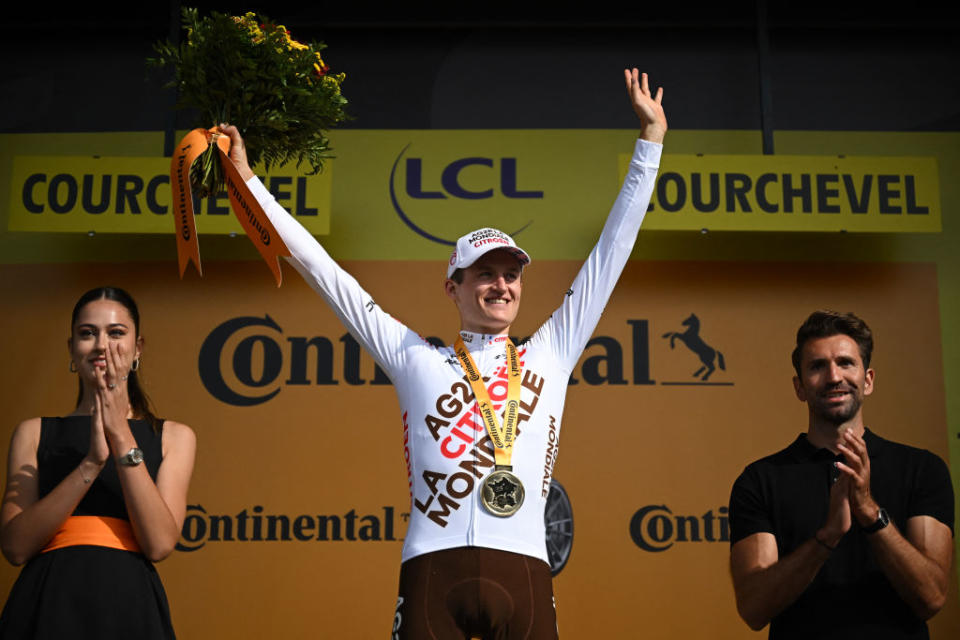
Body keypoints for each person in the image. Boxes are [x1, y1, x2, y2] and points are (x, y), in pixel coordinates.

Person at [220, 67, 666, 639]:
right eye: (484, 274)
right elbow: (323, 272)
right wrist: (248, 182)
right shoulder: (416, 359)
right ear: (452, 285)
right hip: (433, 568)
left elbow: (612, 252)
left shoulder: (551, 352)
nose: (501, 286)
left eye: (511, 274)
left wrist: (650, 143)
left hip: (524, 569)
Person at [728, 310, 954, 639]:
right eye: (817, 366)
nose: (834, 377)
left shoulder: (922, 469)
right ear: (799, 387)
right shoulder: (760, 480)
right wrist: (828, 536)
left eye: (846, 363)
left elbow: (932, 597)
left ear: (869, 379)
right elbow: (754, 608)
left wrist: (869, 512)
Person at [0, 287, 196, 639]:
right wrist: (90, 464)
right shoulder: (33, 433)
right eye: (87, 333)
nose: (102, 345)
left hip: (129, 604)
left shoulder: (174, 436)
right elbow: (15, 547)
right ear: (72, 349)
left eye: (116, 333)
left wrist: (120, 434)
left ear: (138, 349)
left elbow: (159, 543)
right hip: (48, 602)